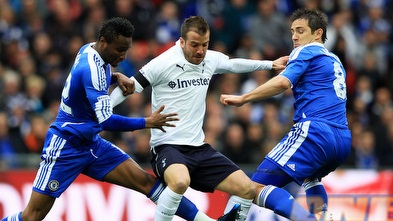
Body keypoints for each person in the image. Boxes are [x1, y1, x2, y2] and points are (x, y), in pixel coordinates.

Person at [1, 17, 239, 221]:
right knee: (32, 216)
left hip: (91, 144)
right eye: (119, 50)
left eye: (127, 49)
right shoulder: (90, 69)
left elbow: (88, 80)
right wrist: (146, 122)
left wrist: (115, 76)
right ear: (103, 42)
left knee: (148, 184)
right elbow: (105, 121)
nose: (124, 55)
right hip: (66, 146)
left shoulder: (90, 49)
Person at [110, 15, 288, 221]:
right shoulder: (163, 62)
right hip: (167, 147)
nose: (200, 51)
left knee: (247, 189)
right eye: (195, 45)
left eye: (205, 44)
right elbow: (129, 87)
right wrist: (104, 110)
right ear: (182, 41)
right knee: (179, 182)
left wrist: (270, 65)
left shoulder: (209, 59)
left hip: (199, 149)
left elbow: (232, 64)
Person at [220, 9, 351, 220]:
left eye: (300, 30)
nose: (294, 37)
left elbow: (282, 82)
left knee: (254, 187)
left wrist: (244, 98)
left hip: (315, 131)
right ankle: (322, 216)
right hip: (342, 139)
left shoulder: (307, 50)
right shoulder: (335, 60)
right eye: (292, 31)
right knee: (311, 178)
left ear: (318, 33)